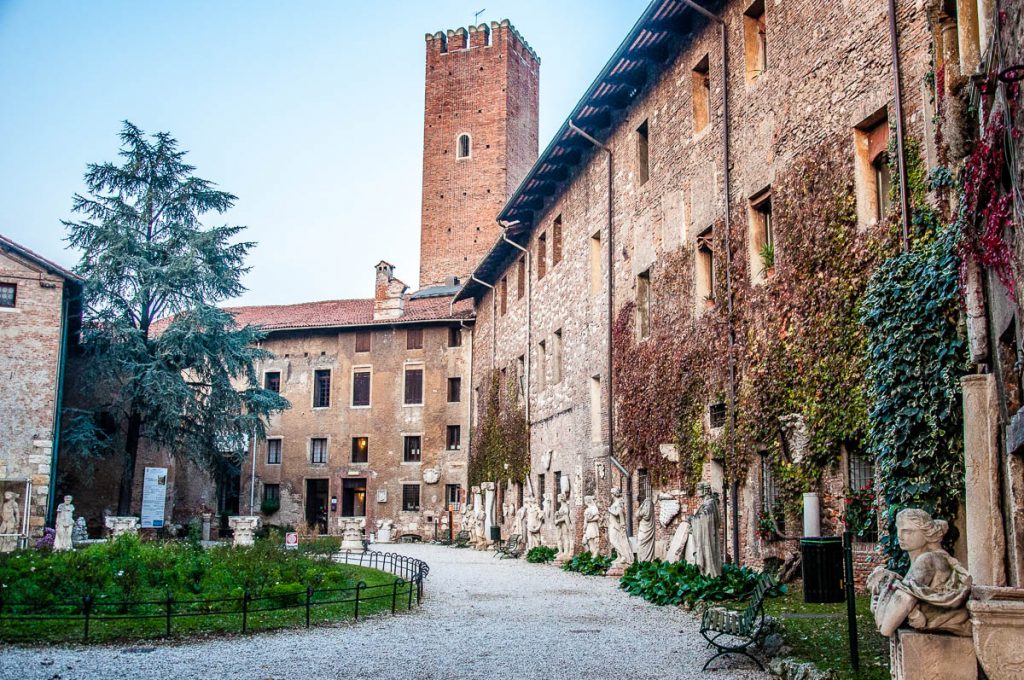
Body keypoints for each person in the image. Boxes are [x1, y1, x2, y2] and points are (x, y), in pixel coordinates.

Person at [867, 508, 971, 636]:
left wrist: (885, 586)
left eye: (908, 531)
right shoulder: (926, 559)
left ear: (927, 533)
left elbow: (886, 628)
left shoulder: (927, 560)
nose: (900, 535)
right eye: (898, 529)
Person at [690, 483, 722, 577]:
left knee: (709, 556)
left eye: (699, 489)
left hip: (708, 536)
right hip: (708, 535)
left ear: (705, 490)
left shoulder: (710, 504)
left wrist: (693, 520)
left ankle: (710, 574)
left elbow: (704, 518)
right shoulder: (708, 503)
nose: (697, 491)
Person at [606, 487, 634, 566]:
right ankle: (619, 556)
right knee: (617, 540)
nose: (611, 495)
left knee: (613, 540)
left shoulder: (619, 502)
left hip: (616, 524)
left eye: (612, 493)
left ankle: (624, 556)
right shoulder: (615, 502)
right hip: (613, 523)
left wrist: (610, 510)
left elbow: (619, 512)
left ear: (614, 494)